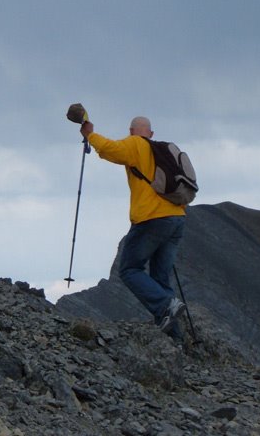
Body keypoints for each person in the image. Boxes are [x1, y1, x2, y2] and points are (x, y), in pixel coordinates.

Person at [80, 115, 187, 339]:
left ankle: (167, 304)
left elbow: (111, 149)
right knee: (160, 277)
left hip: (151, 218)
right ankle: (173, 337)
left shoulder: (136, 144)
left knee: (129, 269)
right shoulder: (165, 150)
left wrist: (90, 135)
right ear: (152, 133)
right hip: (176, 217)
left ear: (131, 131)